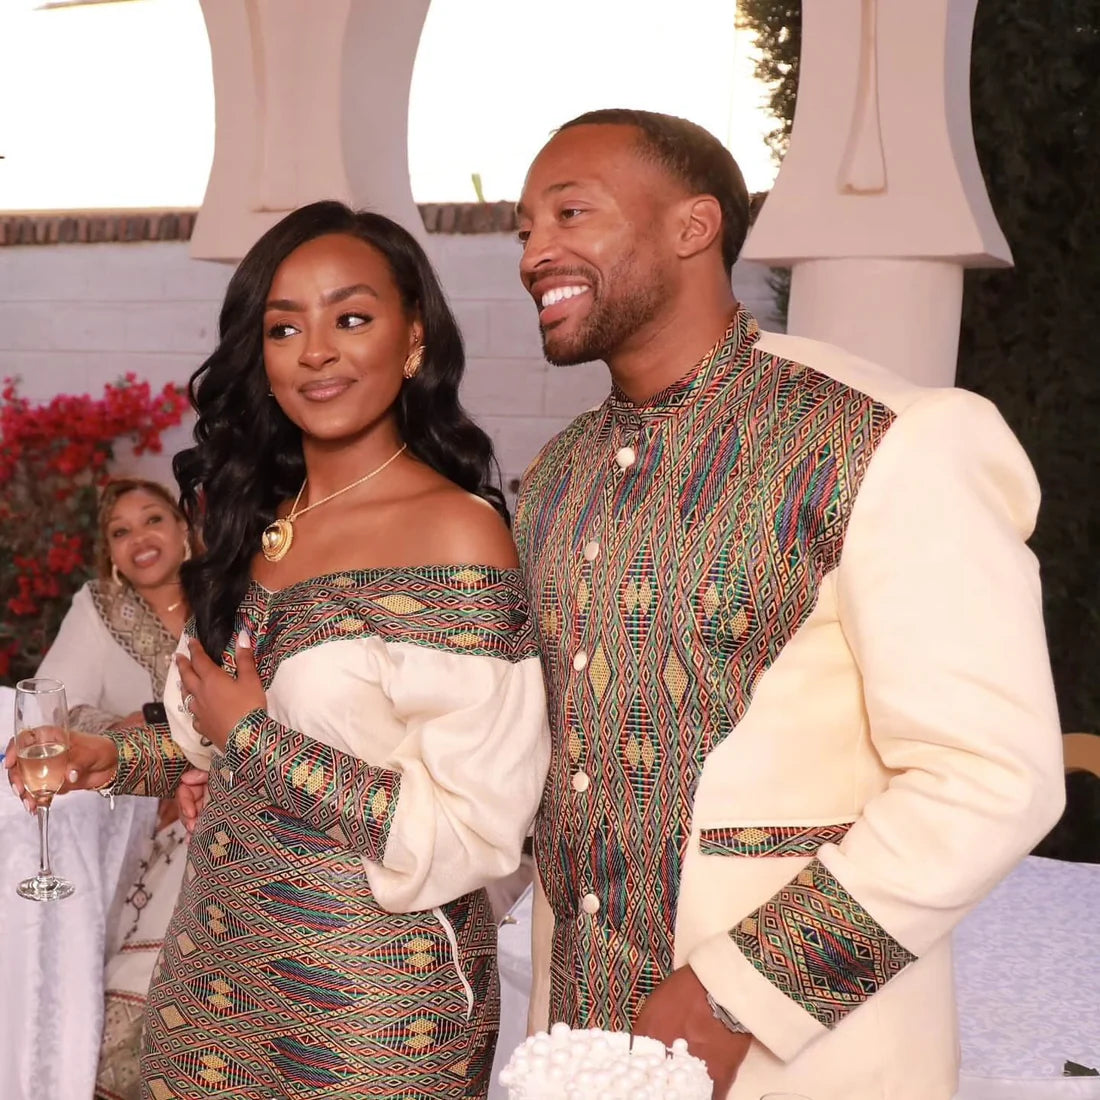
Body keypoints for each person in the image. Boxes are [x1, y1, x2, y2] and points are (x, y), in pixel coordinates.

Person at [511, 108, 1065, 1100]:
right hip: (579, 1046)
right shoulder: (558, 475)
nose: (533, 253)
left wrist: (738, 995)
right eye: (525, 229)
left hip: (800, 1061)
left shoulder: (882, 437)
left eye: (570, 212)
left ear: (694, 225)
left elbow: (992, 778)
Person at [9, 201, 549, 1099]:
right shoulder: (260, 520)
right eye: (285, 328)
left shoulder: (457, 533)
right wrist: (112, 757)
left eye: (352, 318)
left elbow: (474, 830)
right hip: (208, 990)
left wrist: (256, 740)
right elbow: (217, 736)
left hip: (370, 1012)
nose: (317, 351)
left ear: (414, 337)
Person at [36, 476, 197, 1100]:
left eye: (153, 519)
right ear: (111, 555)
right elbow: (53, 708)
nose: (140, 539)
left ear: (184, 529)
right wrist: (138, 730)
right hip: (134, 806)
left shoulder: (227, 596)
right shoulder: (99, 608)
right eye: (120, 532)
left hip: (223, 794)